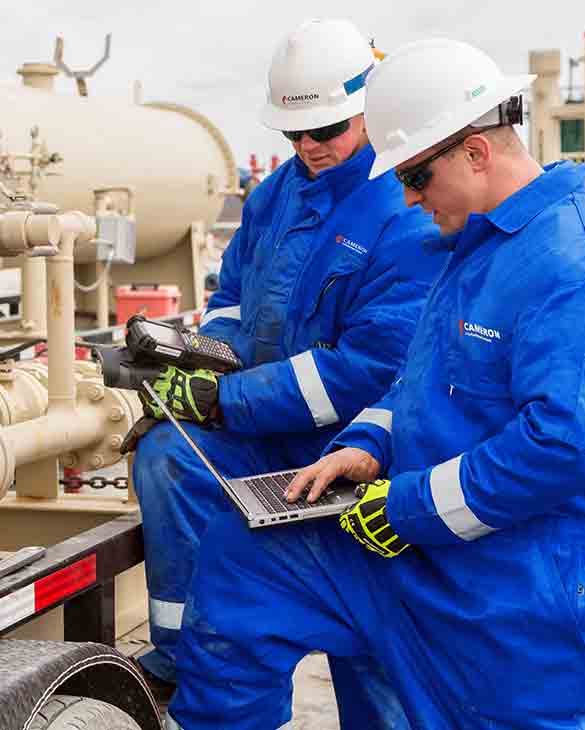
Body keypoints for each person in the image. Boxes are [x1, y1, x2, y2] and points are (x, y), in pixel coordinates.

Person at [164, 38, 585, 730]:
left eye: (416, 176)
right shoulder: (477, 247)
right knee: (248, 557)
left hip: (533, 584)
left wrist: (407, 508)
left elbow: (563, 448)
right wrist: (368, 447)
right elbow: (420, 382)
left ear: (476, 153)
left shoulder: (576, 271)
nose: (406, 198)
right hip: (438, 552)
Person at [129, 19, 442, 727]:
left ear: (371, 102)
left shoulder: (408, 206)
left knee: (373, 639)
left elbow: (367, 371)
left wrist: (225, 399)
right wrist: (204, 361)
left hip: (357, 443)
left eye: (325, 129)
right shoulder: (277, 194)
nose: (308, 147)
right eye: (293, 134)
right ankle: (183, 657)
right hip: (262, 423)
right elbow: (232, 293)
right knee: (170, 455)